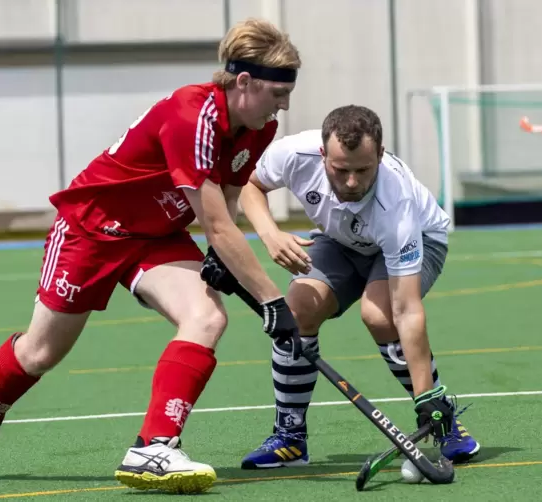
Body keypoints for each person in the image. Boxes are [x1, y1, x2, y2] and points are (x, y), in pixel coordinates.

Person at [0, 18, 303, 495]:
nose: (283, 104)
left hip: (156, 236)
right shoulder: (191, 114)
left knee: (206, 316)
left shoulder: (259, 126)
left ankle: (154, 446)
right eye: (277, 93)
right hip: (92, 229)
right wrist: (272, 301)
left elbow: (229, 196)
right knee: (41, 352)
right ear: (243, 82)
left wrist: (225, 257)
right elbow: (216, 225)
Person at [203, 105, 481, 469]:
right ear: (323, 154)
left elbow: (406, 309)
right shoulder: (295, 153)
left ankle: (439, 413)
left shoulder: (397, 204)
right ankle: (290, 437)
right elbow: (252, 184)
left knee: (380, 315)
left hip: (419, 242)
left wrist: (425, 394)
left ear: (380, 155)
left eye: (363, 170)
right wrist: (269, 233)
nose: (352, 182)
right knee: (298, 309)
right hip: (339, 241)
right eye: (341, 170)